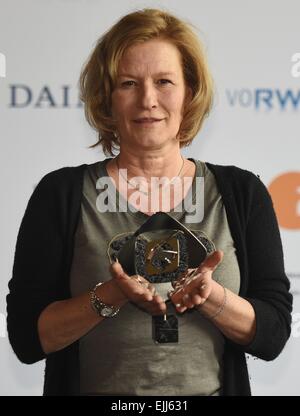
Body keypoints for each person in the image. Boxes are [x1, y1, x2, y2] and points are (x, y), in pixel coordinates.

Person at [7, 8, 293, 396]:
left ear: (189, 92)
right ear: (107, 98)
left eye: (164, 82)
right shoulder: (60, 194)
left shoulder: (241, 193)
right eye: (128, 83)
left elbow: (272, 334)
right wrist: (110, 294)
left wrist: (212, 297)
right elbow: (27, 338)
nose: (148, 100)